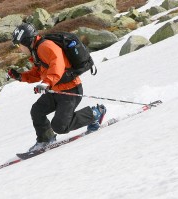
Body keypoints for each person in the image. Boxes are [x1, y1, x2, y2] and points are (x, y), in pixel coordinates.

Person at [8, 23, 106, 151]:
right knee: (37, 110)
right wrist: (20, 76)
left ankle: (95, 113)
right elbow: (39, 73)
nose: (19, 48)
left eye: (18, 44)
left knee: (60, 126)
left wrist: (47, 83)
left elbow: (57, 65)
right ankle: (46, 139)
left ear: (26, 41)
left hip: (70, 90)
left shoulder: (45, 46)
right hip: (56, 90)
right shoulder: (37, 50)